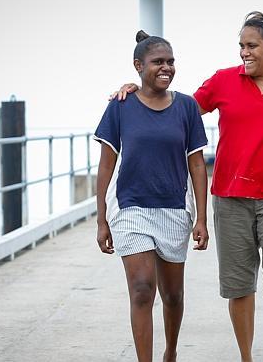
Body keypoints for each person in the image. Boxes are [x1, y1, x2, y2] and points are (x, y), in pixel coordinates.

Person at [115, 11, 263, 362]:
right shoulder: (224, 81)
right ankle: (247, 358)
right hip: (230, 201)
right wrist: (140, 88)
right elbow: (176, 109)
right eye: (241, 46)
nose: (244, 52)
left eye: (252, 46)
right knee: (239, 288)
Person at [95, 30, 209, 362]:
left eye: (171, 62)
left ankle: (170, 352)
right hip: (131, 208)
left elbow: (198, 165)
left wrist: (201, 217)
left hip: (174, 208)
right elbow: (105, 167)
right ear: (138, 65)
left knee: (173, 295)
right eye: (158, 62)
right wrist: (101, 219)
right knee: (143, 289)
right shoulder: (120, 106)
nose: (166, 68)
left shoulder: (186, 107)